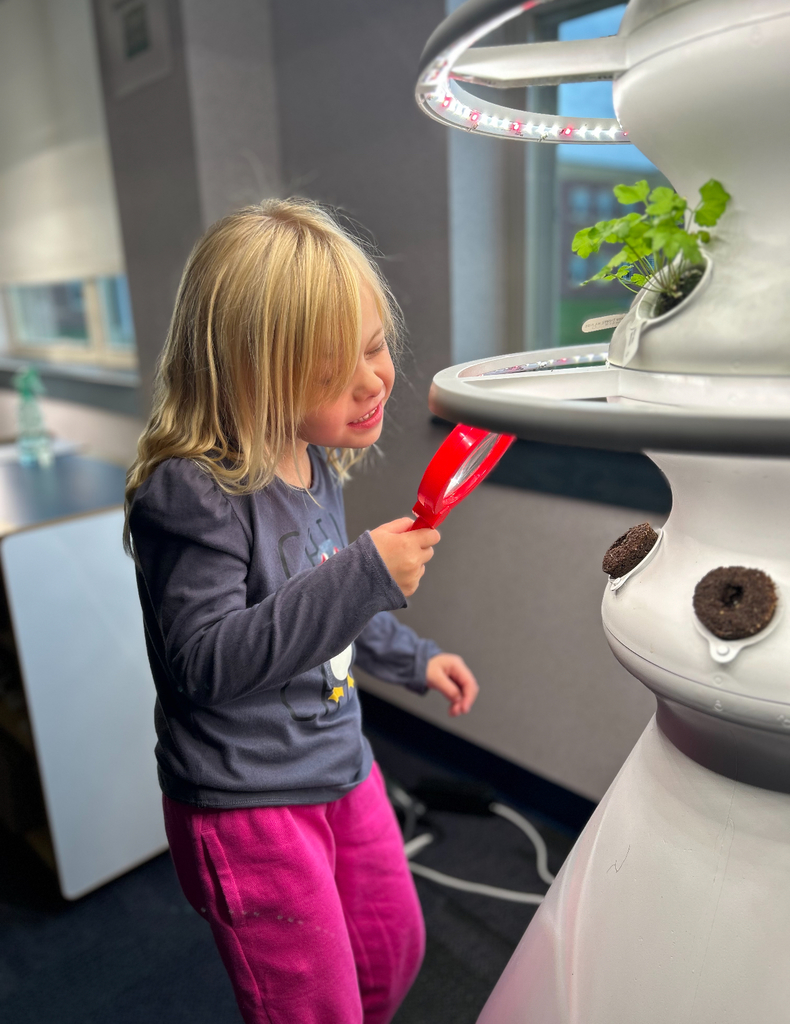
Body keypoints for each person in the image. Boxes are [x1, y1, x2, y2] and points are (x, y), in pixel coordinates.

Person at [124, 198, 479, 1024]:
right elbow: (203, 662)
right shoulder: (193, 492)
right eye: (331, 369)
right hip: (247, 807)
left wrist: (412, 656)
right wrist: (364, 576)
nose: (374, 380)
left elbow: (325, 609)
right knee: (313, 1008)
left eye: (376, 346)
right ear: (247, 372)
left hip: (339, 765)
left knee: (393, 948)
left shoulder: (312, 462)